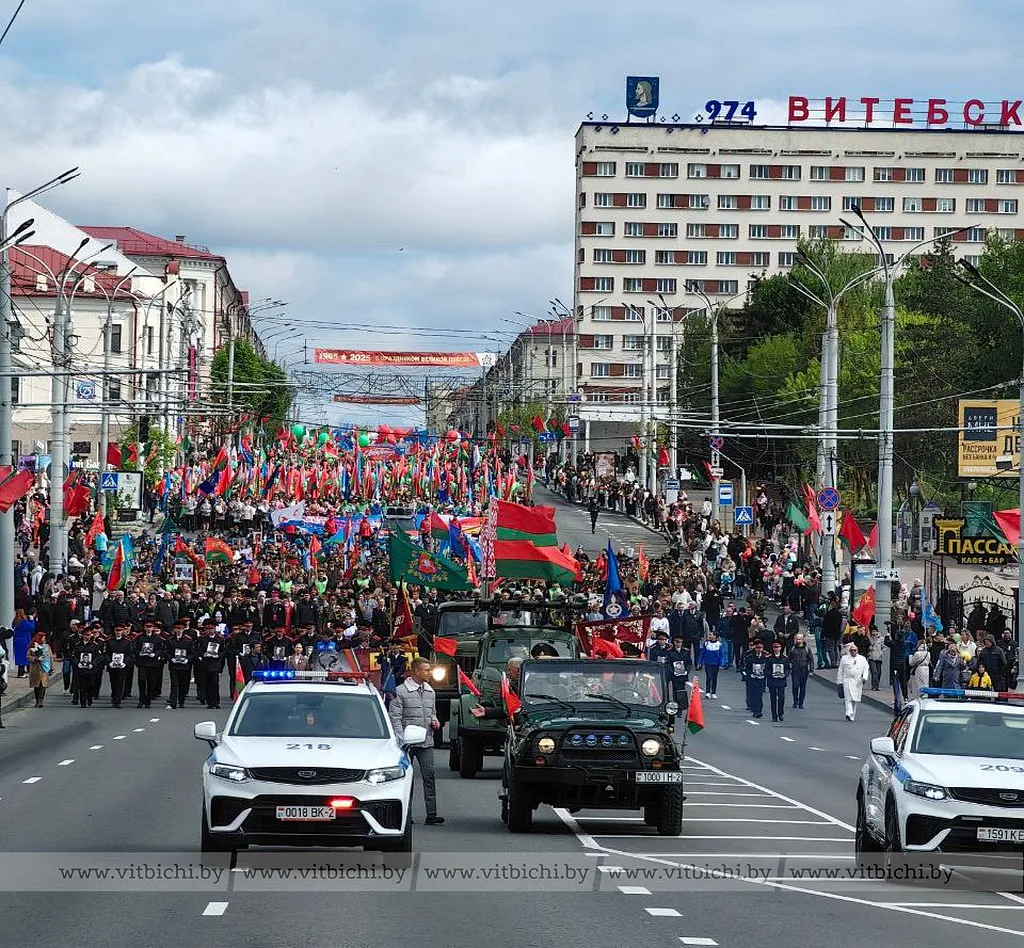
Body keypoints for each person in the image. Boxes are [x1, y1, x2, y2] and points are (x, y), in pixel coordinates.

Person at [388, 657, 444, 825]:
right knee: (406, 780)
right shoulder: (401, 691)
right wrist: (401, 739)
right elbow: (395, 718)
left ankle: (431, 814)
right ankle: (406, 815)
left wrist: (435, 721)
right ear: (417, 672)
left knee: (429, 776)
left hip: (426, 741)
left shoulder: (430, 691)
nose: (429, 673)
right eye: (426, 670)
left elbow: (432, 712)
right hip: (407, 744)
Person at [836, 643, 870, 722]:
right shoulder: (844, 659)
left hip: (857, 681)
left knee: (855, 699)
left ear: (857, 651)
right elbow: (840, 671)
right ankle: (848, 713)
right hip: (847, 680)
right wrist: (839, 681)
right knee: (848, 698)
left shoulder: (862, 659)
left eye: (854, 650)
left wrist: (864, 677)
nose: (853, 652)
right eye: (851, 650)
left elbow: (866, 668)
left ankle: (852, 715)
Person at [765, 640, 791, 723]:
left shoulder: (785, 658)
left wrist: (785, 674)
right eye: (774, 647)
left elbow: (787, 669)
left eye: (778, 647)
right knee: (773, 698)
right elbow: (766, 669)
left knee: (781, 697)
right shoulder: (769, 658)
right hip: (772, 680)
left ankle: (781, 713)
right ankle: (774, 716)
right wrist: (771, 674)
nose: (776, 649)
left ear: (780, 648)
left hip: (781, 680)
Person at [742, 639, 768, 719]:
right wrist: (748, 675)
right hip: (752, 678)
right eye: (757, 647)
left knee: (759, 695)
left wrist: (766, 675)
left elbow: (768, 668)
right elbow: (745, 668)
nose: (759, 649)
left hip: (761, 679)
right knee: (752, 694)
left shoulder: (766, 656)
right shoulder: (749, 656)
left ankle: (758, 711)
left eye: (760, 648)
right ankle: (753, 708)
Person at [696, 629, 725, 698]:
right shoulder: (706, 643)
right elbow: (702, 653)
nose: (710, 636)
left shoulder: (719, 644)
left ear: (715, 636)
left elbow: (722, 654)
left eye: (711, 635)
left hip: (716, 664)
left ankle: (713, 692)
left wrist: (721, 664)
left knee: (714, 678)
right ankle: (708, 692)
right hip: (708, 663)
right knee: (708, 677)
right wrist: (699, 662)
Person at [789, 632, 814, 710]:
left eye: (799, 639)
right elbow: (789, 659)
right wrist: (789, 667)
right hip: (795, 670)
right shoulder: (792, 648)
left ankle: (801, 703)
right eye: (797, 639)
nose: (798, 640)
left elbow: (811, 659)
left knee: (803, 687)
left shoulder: (807, 649)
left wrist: (811, 670)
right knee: (795, 686)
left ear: (803, 639)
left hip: (804, 671)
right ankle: (795, 701)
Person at [27, 631, 52, 708]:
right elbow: (28, 657)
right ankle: (37, 700)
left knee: (43, 685)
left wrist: (51, 668)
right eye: (43, 638)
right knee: (36, 685)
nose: (44, 640)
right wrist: (36, 658)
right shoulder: (33, 647)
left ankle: (41, 700)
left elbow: (50, 657)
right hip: (36, 668)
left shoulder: (47, 646)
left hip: (45, 668)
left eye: (45, 638)